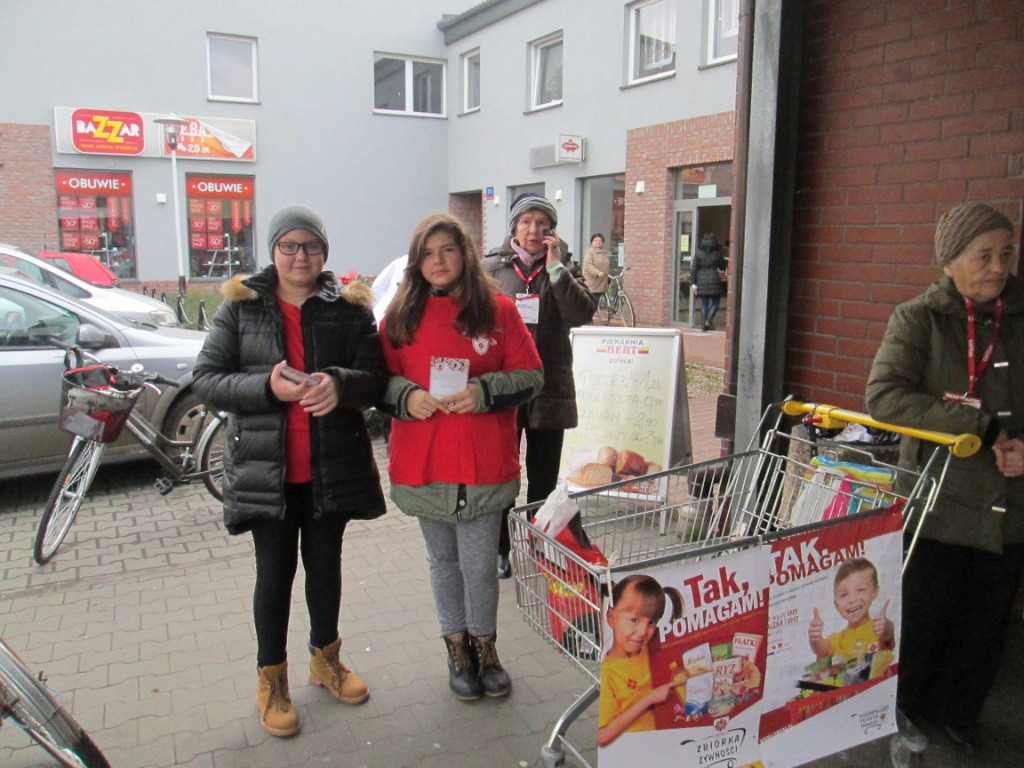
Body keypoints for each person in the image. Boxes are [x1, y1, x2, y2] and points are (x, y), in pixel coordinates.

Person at [192, 205, 387, 738]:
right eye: (289, 246)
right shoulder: (242, 308)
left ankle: (326, 661)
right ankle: (271, 682)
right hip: (266, 472)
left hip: (330, 468)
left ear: (324, 252)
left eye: (311, 247)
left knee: (325, 569)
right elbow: (207, 379)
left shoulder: (348, 309)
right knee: (274, 576)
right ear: (273, 251)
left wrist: (340, 383)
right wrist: (265, 389)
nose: (300, 256)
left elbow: (376, 377)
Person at [866, 201, 1024, 755]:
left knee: (986, 623)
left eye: (1007, 252)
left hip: (1010, 507)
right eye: (983, 255)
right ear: (949, 263)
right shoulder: (919, 319)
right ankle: (903, 709)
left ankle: (961, 715)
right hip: (937, 502)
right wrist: (976, 425)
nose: (999, 266)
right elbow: (884, 398)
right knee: (924, 617)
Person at [378, 212, 543, 701]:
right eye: (427, 253)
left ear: (465, 254)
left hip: (483, 460)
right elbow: (375, 382)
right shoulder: (398, 318)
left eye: (447, 250)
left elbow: (532, 375)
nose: (437, 261)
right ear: (415, 262)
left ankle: (486, 647)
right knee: (443, 562)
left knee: (479, 565)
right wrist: (405, 395)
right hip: (424, 461)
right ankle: (456, 647)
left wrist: (484, 390)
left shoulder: (498, 311)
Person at [484, 193, 597, 578]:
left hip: (549, 386)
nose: (533, 230)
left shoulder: (564, 268)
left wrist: (555, 269)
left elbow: (580, 314)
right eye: (526, 222)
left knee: (544, 476)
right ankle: (499, 549)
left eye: (541, 223)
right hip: (504, 387)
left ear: (551, 231)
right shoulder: (491, 268)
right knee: (502, 474)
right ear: (514, 227)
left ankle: (540, 544)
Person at [598, 574, 685, 747]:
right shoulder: (609, 671)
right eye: (634, 620)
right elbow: (603, 736)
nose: (642, 631)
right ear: (612, 618)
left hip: (672, 735)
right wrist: (650, 699)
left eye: (651, 623)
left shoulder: (651, 648)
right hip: (639, 748)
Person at [807, 557, 894, 661]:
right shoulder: (837, 639)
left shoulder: (877, 629)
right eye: (844, 595)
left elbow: (888, 635)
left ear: (875, 592)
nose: (852, 599)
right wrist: (815, 638)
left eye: (860, 590)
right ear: (836, 605)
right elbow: (822, 650)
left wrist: (886, 627)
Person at [691, 233, 727, 331]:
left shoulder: (698, 253)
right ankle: (709, 321)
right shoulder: (717, 253)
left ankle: (703, 325)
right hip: (714, 279)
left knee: (704, 303)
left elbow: (694, 269)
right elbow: (722, 267)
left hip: (701, 280)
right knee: (716, 303)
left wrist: (693, 283)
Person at [582, 232, 611, 306]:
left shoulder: (604, 252)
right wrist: (597, 273)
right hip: (593, 281)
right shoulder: (589, 252)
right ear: (592, 242)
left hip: (602, 281)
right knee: (592, 302)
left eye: (600, 240)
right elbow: (588, 266)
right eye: (595, 240)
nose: (598, 242)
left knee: (597, 301)